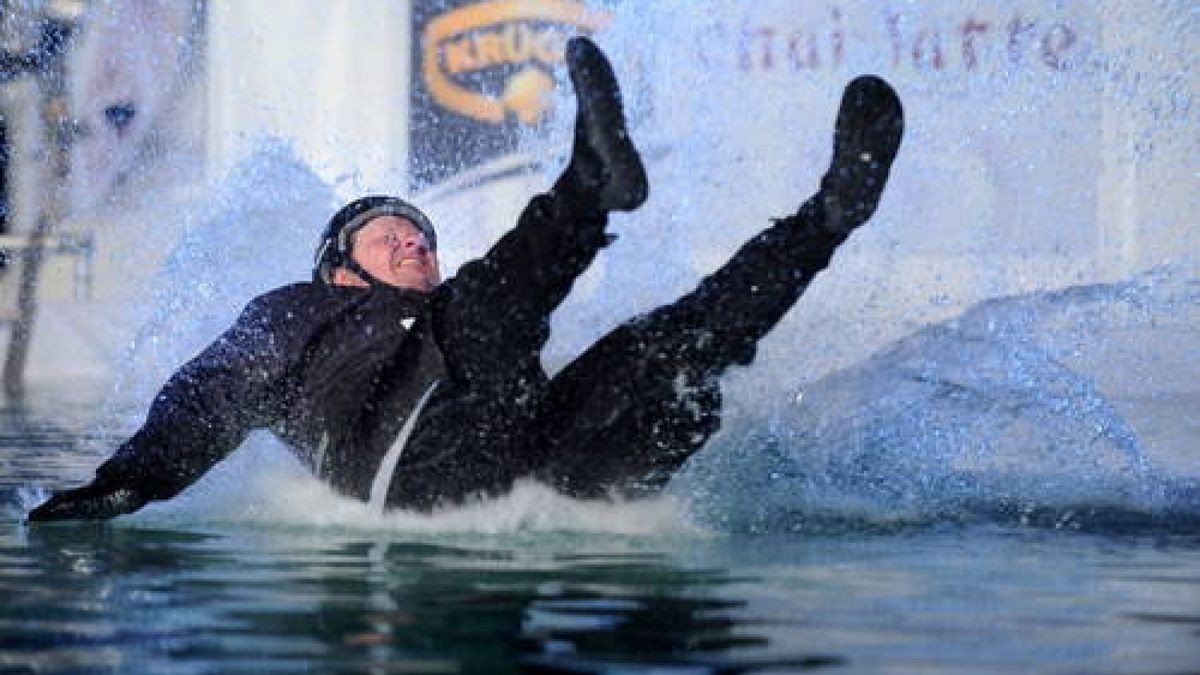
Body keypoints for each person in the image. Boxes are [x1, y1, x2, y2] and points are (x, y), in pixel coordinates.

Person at [29, 37, 903, 521]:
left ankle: (828, 217)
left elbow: (492, 339)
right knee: (483, 313)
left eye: (422, 234)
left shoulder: (453, 315)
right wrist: (130, 478)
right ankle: (590, 192)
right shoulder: (297, 312)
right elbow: (212, 389)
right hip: (409, 467)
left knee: (666, 350)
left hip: (543, 473)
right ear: (339, 264)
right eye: (389, 233)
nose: (414, 242)